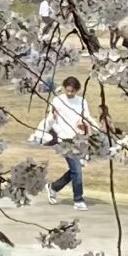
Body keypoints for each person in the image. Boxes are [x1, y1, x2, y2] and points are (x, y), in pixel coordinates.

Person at [36, 76, 89, 207]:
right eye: (68, 90)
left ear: (77, 90)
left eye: (72, 91)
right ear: (64, 88)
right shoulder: (57, 100)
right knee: (77, 170)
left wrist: (86, 126)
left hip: (78, 139)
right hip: (63, 140)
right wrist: (52, 118)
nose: (70, 93)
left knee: (75, 169)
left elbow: (86, 117)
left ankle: (53, 187)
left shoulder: (82, 101)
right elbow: (49, 120)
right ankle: (78, 199)